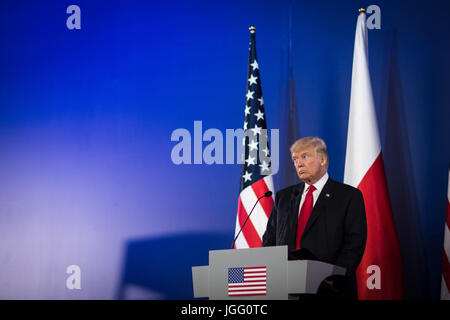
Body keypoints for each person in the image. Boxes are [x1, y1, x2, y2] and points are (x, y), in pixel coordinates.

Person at [262, 137, 367, 299]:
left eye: (305, 156)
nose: (299, 163)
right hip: (286, 289)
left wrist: (330, 279)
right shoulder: (284, 197)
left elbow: (354, 244)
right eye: (295, 159)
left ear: (323, 159)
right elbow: (269, 240)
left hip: (331, 291)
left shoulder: (348, 196)